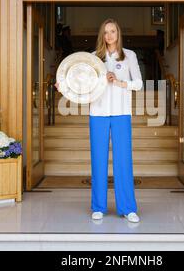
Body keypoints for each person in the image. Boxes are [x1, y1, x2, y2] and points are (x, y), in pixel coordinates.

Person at [56, 18, 143, 223]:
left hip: (121, 114)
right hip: (98, 114)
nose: (110, 35)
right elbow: (79, 84)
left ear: (118, 33)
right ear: (102, 36)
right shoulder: (93, 58)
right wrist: (65, 87)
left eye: (113, 31)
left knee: (123, 161)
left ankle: (128, 208)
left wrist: (119, 81)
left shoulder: (129, 56)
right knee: (98, 161)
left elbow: (138, 84)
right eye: (106, 32)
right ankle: (98, 207)